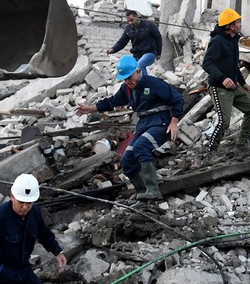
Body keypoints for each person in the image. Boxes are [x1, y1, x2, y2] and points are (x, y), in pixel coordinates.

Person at [76, 55, 182, 200]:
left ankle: (153, 190)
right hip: (144, 123)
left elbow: (177, 99)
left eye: (129, 77)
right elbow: (112, 101)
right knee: (127, 159)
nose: (127, 81)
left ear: (138, 71)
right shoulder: (126, 89)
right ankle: (142, 193)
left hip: (161, 122)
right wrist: (90, 109)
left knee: (141, 146)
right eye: (124, 79)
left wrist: (174, 121)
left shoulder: (154, 83)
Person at [202, 8, 250, 150]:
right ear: (230, 26)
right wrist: (222, 79)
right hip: (219, 87)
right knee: (224, 122)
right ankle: (211, 150)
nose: (240, 24)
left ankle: (241, 143)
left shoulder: (233, 40)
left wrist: (243, 83)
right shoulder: (217, 41)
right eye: (237, 22)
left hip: (233, 86)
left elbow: (233, 65)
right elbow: (207, 63)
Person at [108, 9, 163, 75]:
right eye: (128, 21)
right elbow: (122, 42)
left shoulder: (149, 25)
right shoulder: (128, 29)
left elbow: (158, 38)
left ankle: (145, 83)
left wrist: (159, 53)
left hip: (149, 53)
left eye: (131, 20)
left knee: (140, 65)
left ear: (136, 17)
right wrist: (113, 49)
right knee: (129, 69)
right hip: (136, 55)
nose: (130, 23)